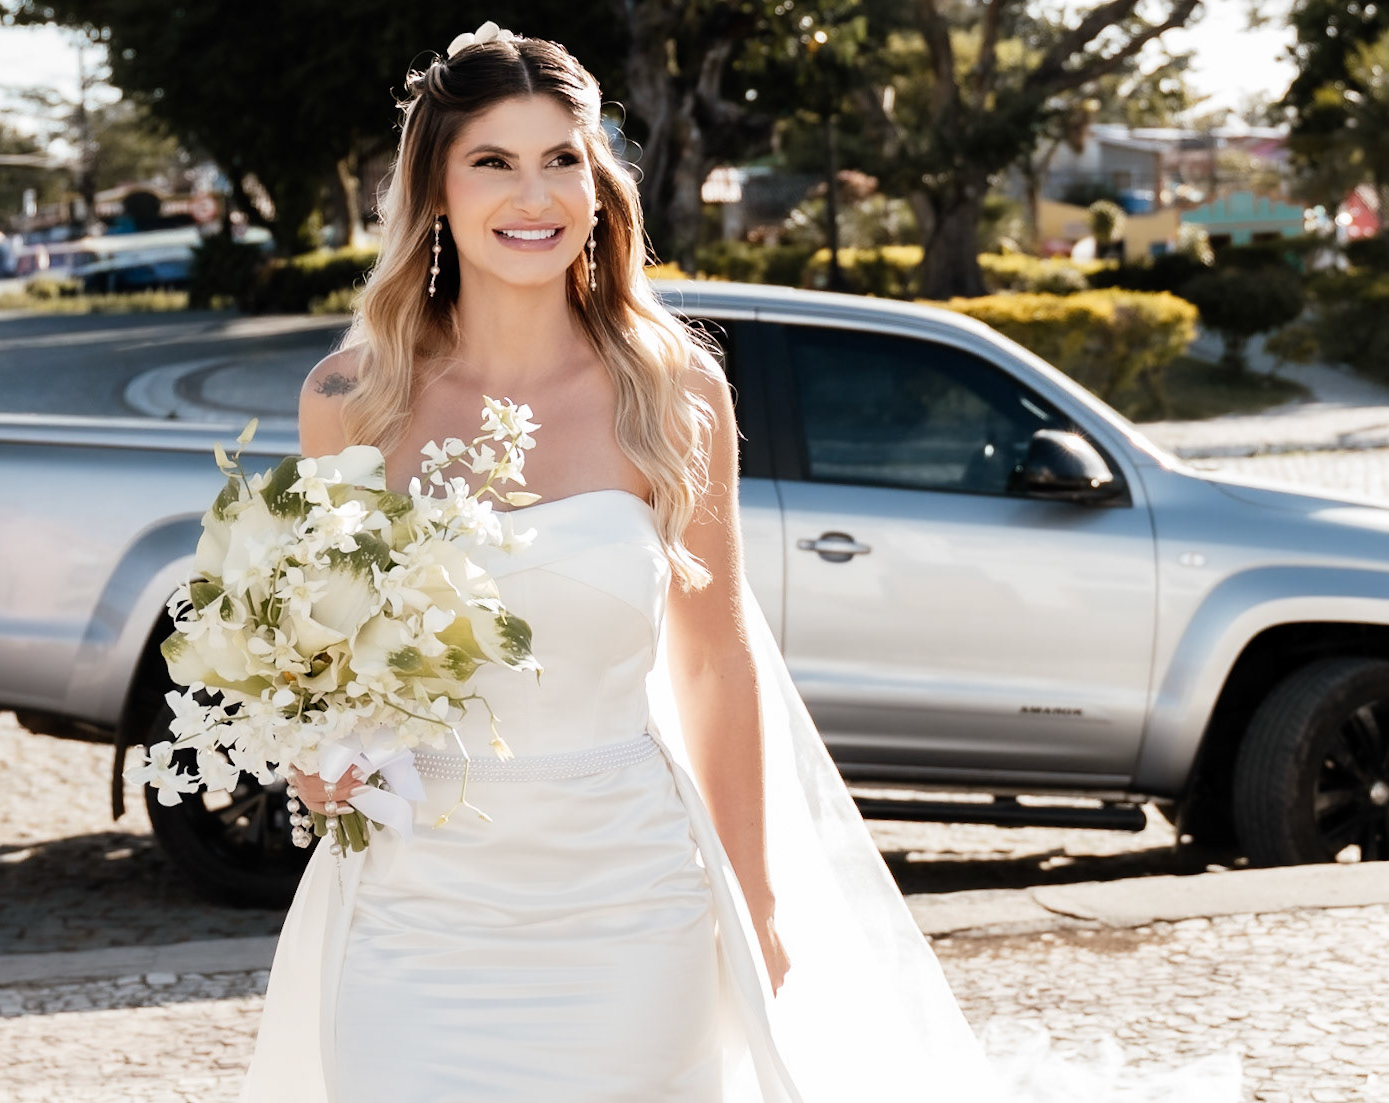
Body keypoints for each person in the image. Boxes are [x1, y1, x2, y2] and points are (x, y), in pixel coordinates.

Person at [239, 24, 1241, 1103]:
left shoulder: (672, 397)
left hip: (625, 895)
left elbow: (714, 663)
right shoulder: (351, 402)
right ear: (433, 188)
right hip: (413, 901)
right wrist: (316, 747)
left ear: (598, 185)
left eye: (559, 159)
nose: (532, 196)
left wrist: (755, 896)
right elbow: (324, 644)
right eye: (492, 160)